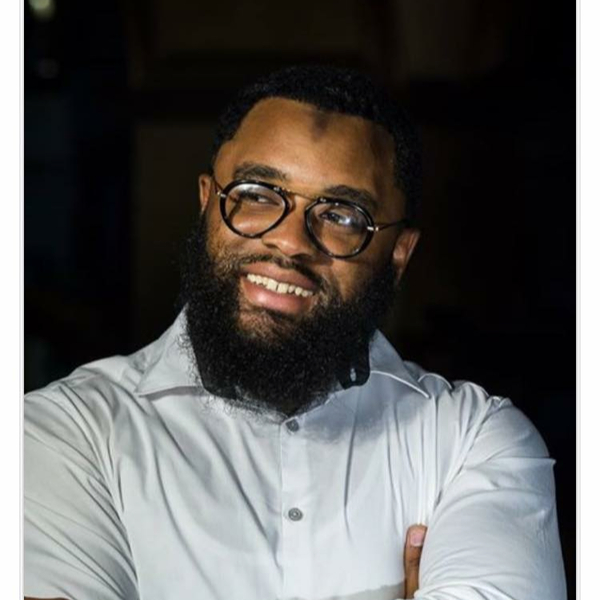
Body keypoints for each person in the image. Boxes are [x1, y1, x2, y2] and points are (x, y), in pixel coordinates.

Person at [24, 65, 566, 600]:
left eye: (343, 216)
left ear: (399, 254)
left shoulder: (474, 443)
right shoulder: (63, 435)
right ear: (208, 201)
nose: (289, 241)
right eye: (258, 193)